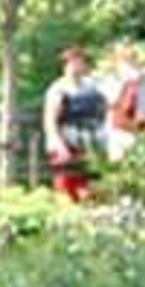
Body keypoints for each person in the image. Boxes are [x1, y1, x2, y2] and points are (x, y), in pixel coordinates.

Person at [42, 46, 106, 202]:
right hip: (67, 141)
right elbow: (50, 120)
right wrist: (58, 143)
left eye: (80, 62)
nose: (77, 66)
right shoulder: (58, 89)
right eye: (73, 63)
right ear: (66, 66)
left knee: (93, 185)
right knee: (67, 186)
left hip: (91, 141)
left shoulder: (92, 87)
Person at [105, 43, 144, 160]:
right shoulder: (111, 79)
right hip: (120, 130)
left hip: (140, 129)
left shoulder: (141, 78)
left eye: (131, 56)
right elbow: (111, 104)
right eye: (123, 56)